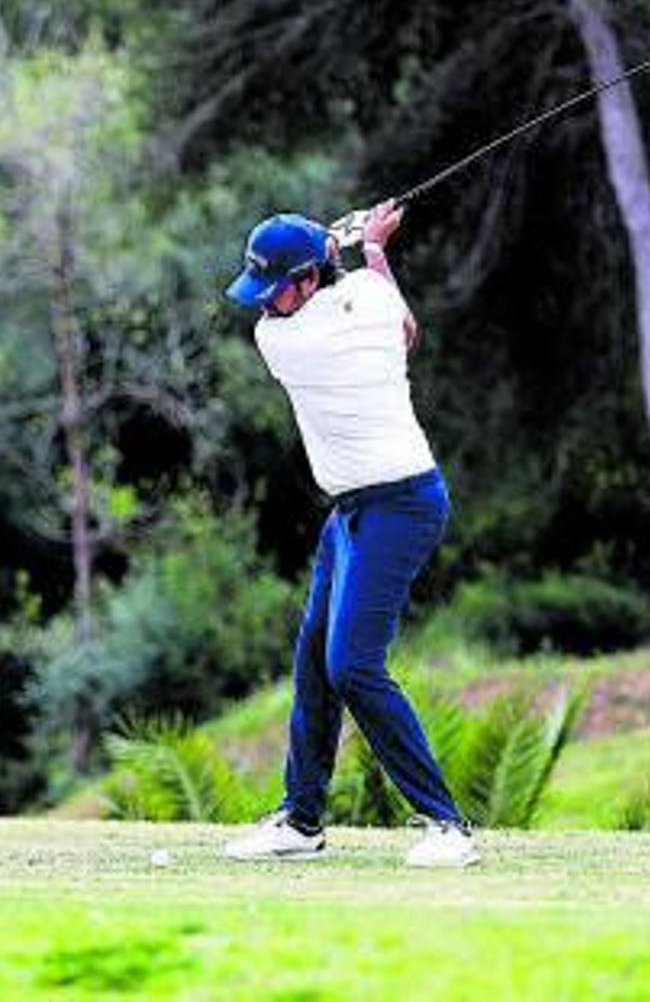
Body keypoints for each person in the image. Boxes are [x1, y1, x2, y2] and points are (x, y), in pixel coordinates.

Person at [221, 201, 479, 868]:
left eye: (275, 289)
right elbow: (406, 325)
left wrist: (344, 241)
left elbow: (369, 312)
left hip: (403, 505)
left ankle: (448, 825)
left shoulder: (282, 342)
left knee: (353, 665)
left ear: (308, 280)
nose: (265, 305)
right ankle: (301, 820)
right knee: (314, 660)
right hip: (352, 512)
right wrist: (371, 247)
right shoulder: (366, 293)